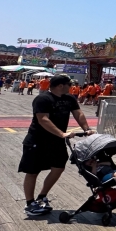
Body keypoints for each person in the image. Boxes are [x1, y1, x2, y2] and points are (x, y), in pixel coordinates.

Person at [18, 74, 94, 216]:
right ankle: (30, 203)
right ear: (61, 86)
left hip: (56, 141)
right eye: (69, 85)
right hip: (37, 140)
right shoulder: (42, 99)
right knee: (33, 171)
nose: (71, 87)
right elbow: (43, 119)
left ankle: (42, 196)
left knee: (58, 167)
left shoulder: (69, 99)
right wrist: (62, 134)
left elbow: (79, 114)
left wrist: (86, 129)